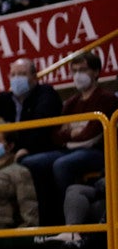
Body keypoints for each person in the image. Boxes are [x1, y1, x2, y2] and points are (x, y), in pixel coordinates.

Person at [17, 53, 118, 226]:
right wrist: (74, 133)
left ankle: (70, 218)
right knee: (32, 162)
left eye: (83, 70)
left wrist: (71, 132)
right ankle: (47, 220)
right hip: (69, 150)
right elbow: (56, 135)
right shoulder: (71, 102)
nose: (78, 75)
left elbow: (91, 135)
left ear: (95, 72)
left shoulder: (106, 99)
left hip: (97, 152)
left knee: (61, 165)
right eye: (75, 71)